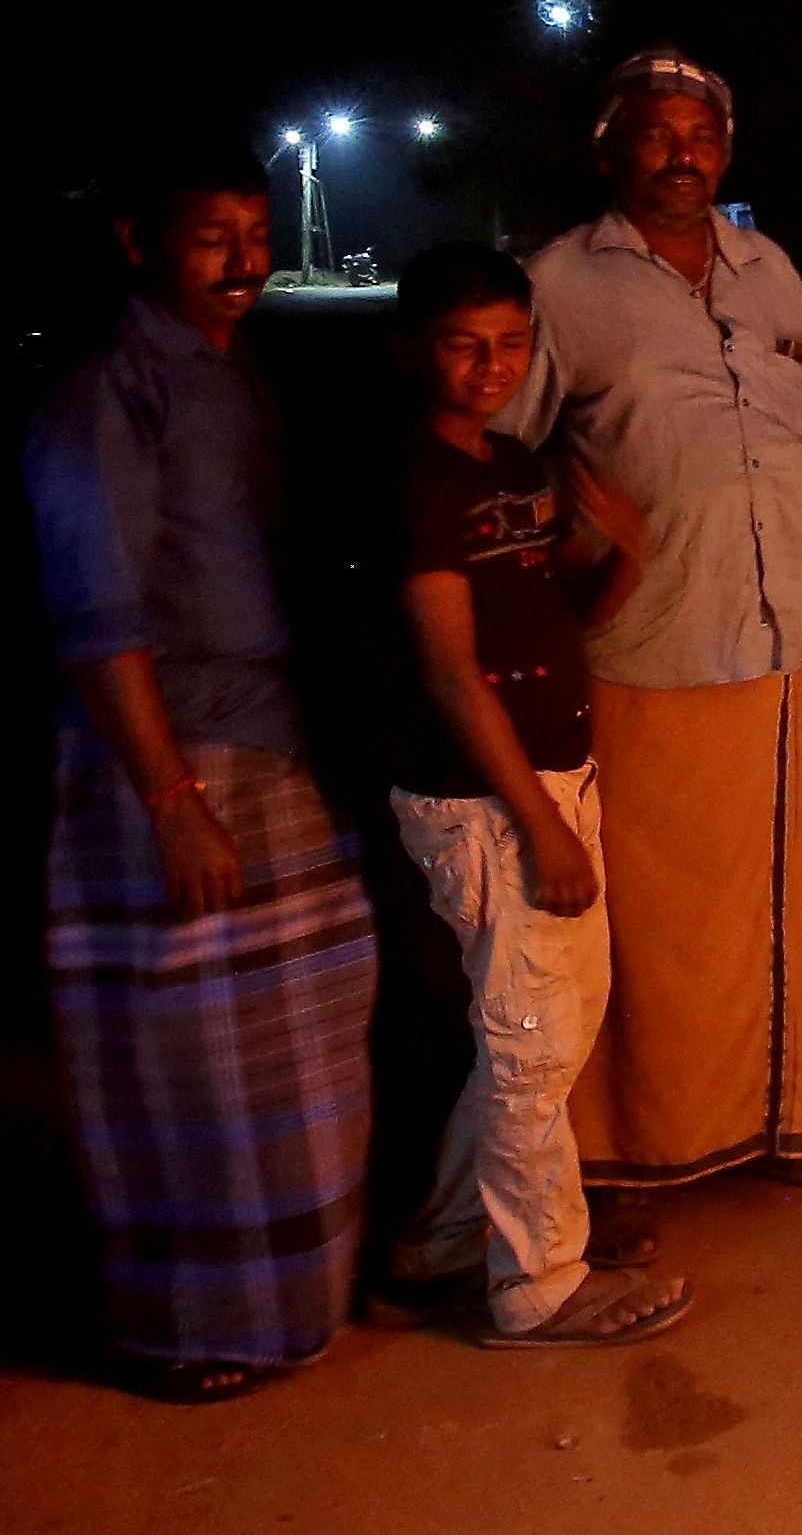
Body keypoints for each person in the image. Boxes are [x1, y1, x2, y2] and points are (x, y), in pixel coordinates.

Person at [23, 149, 378, 1402]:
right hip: (168, 760)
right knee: (188, 1073)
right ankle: (182, 1333)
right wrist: (172, 801)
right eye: (210, 236)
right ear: (137, 241)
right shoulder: (104, 394)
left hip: (268, 740)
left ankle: (289, 1313)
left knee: (303, 1049)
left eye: (253, 231)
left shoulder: (239, 380)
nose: (243, 259)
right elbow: (97, 611)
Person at [502, 47, 802, 1245]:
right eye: (654, 134)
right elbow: (502, 457)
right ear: (612, 150)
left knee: (778, 908)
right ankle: (627, 1158)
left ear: (727, 148)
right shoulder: (560, 283)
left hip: (779, 648)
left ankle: (778, 1121)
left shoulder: (773, 275)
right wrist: (573, 528)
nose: (681, 153)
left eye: (699, 134)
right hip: (647, 651)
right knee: (650, 930)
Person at [376, 245, 693, 1347]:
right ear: (417, 347)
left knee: (544, 1031)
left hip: (553, 778)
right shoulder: (414, 480)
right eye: (464, 344)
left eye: (510, 343)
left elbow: (560, 620)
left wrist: (629, 560)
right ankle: (537, 1284)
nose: (489, 365)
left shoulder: (510, 468)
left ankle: (439, 1245)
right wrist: (542, 822)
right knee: (528, 1040)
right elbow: (452, 672)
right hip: (487, 801)